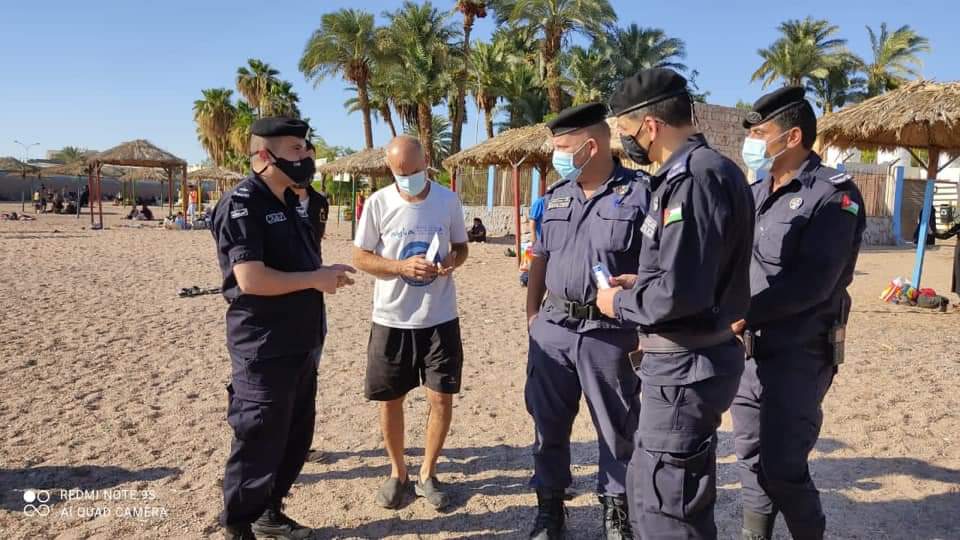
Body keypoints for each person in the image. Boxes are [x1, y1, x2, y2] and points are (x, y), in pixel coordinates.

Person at [596, 68, 756, 539]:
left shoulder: (693, 179)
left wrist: (618, 302)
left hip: (685, 366)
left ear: (650, 125)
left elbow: (678, 294)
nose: (625, 141)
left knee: (667, 510)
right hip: (687, 364)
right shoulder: (702, 172)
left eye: (626, 130)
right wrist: (641, 281)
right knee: (665, 494)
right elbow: (688, 269)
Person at [731, 88, 867, 540]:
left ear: (792, 137)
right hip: (748, 350)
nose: (751, 143)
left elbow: (815, 283)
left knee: (784, 465)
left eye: (760, 134)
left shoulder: (832, 195)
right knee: (750, 458)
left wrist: (742, 313)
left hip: (799, 353)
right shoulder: (754, 194)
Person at [211, 117, 356, 540]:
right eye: (295, 149)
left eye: (306, 148)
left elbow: (301, 262)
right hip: (263, 344)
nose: (306, 156)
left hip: (302, 340)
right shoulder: (242, 203)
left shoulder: (296, 201)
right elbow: (251, 279)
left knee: (295, 436)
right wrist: (315, 278)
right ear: (264, 155)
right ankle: (239, 525)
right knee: (259, 439)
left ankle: (269, 512)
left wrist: (323, 274)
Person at [525, 103, 649, 540]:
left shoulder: (641, 193)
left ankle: (616, 514)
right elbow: (539, 257)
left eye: (563, 147)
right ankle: (550, 509)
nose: (556, 155)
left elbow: (657, 266)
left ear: (591, 146)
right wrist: (532, 316)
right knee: (548, 424)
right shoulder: (556, 195)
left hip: (610, 333)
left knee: (617, 428)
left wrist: (644, 329)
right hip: (554, 327)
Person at [352, 135, 469, 512]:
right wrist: (399, 266)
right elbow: (360, 257)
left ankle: (427, 473)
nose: (407, 178)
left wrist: (452, 261)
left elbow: (461, 247)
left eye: (414, 171)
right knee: (390, 399)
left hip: (440, 318)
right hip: (391, 319)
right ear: (390, 169)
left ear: (426, 160)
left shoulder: (448, 200)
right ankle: (398, 472)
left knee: (441, 398)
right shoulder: (378, 203)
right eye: (399, 173)